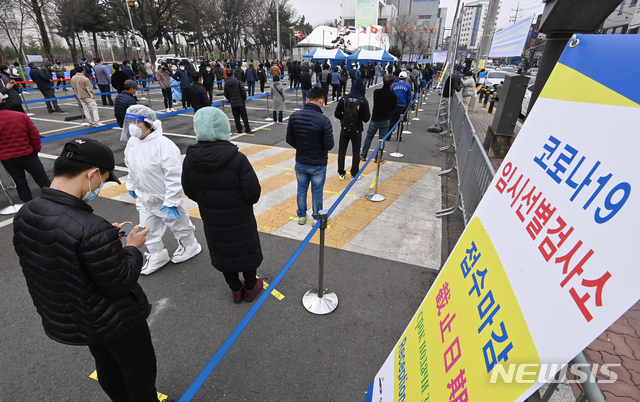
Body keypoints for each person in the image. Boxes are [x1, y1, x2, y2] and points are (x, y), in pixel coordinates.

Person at [11, 137, 178, 402]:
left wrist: (103, 241)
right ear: (92, 174)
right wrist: (132, 248)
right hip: (115, 321)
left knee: (106, 365)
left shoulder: (27, 212)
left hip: (76, 315)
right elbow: (120, 283)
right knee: (139, 374)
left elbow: (60, 252)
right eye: (103, 179)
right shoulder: (90, 227)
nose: (99, 187)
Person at [182, 107, 263, 303]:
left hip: (212, 219)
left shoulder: (190, 160)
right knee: (246, 250)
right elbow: (253, 193)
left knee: (223, 253)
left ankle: (236, 290)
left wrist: (208, 201)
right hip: (240, 218)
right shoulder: (237, 159)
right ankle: (251, 287)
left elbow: (189, 190)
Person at [123, 105, 202, 274]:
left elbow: (174, 175)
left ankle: (190, 246)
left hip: (164, 198)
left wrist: (172, 201)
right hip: (144, 197)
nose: (132, 126)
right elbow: (131, 166)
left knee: (180, 226)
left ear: (150, 124)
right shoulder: (132, 143)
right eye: (130, 121)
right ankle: (156, 254)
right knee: (146, 229)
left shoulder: (164, 145)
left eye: (137, 122)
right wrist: (132, 185)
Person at [286, 87, 334, 225]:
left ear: (308, 99)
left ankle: (301, 216)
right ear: (321, 101)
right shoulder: (324, 120)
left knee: (301, 189)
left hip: (301, 160)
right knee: (317, 191)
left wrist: (301, 147)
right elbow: (329, 145)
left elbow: (289, 139)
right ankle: (316, 216)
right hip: (318, 162)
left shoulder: (294, 117)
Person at [0, 93, 50, 201]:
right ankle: (54, 200)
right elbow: (34, 136)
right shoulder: (20, 116)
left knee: (20, 182)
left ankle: (28, 204)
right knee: (42, 179)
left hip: (7, 158)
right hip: (27, 154)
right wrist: (36, 150)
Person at [334, 78, 370, 181]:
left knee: (342, 150)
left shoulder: (344, 99)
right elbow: (366, 118)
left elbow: (336, 114)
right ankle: (354, 173)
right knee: (356, 151)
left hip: (345, 129)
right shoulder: (363, 101)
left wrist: (344, 119)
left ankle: (341, 172)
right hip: (357, 130)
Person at [361, 74, 397, 162]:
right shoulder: (393, 95)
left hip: (375, 118)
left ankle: (363, 154)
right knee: (381, 139)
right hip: (385, 119)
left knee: (369, 137)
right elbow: (393, 108)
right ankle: (378, 157)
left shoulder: (376, 92)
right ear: (391, 84)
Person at [390, 71, 412, 142]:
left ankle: (388, 136)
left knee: (392, 121)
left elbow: (391, 94)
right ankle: (399, 136)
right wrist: (408, 103)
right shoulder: (408, 86)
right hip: (403, 105)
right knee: (401, 122)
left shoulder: (394, 85)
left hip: (394, 105)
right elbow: (409, 97)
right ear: (405, 78)